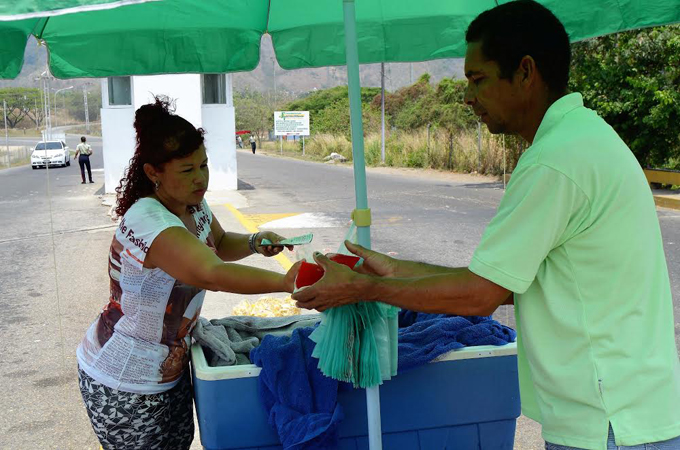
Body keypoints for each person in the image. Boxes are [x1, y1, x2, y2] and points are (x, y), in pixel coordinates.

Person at [292, 2, 680, 450]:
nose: (468, 98)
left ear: (525, 72)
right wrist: (393, 270)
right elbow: (508, 280)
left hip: (609, 420)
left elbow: (481, 296)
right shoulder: (584, 137)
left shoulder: (554, 162)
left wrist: (362, 290)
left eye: (479, 80)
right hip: (628, 409)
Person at [76, 98, 300, 450]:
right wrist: (286, 282)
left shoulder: (192, 204)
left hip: (170, 367)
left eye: (204, 165)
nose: (201, 179)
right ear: (153, 173)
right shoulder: (148, 221)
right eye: (187, 170)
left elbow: (220, 242)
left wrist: (256, 242)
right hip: (124, 381)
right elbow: (210, 272)